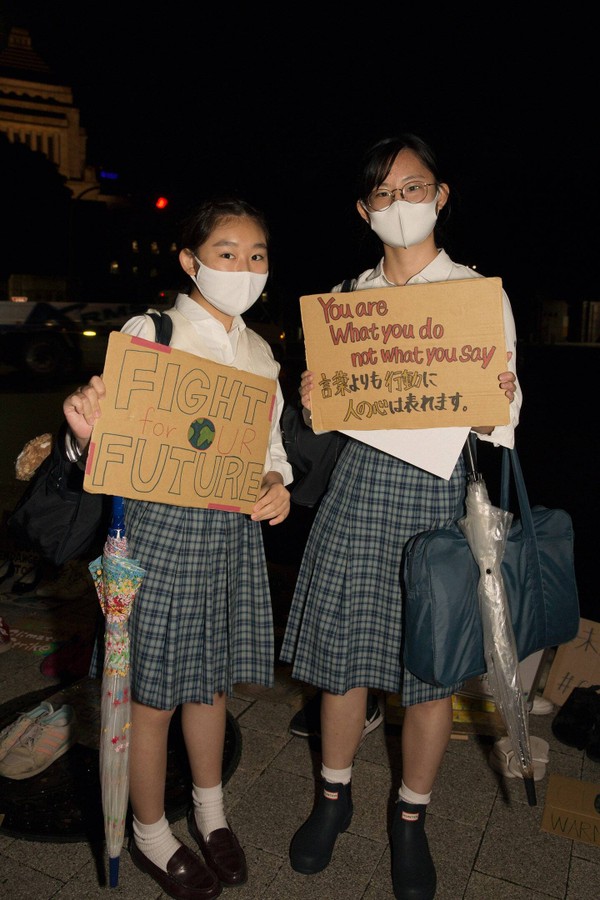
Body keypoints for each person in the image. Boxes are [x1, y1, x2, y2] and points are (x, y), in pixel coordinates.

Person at [279, 134, 521, 900]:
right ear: (364, 210)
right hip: (359, 494)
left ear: (441, 195)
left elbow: (503, 422)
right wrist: (315, 402)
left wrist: (501, 395)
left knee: (429, 674)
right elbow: (326, 420)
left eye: (413, 189)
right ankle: (333, 797)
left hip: (438, 497)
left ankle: (410, 818)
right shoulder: (348, 302)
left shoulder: (478, 295)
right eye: (382, 195)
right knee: (344, 660)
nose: (399, 206)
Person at [63, 197, 292, 900]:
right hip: (159, 535)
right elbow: (102, 447)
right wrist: (81, 431)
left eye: (256, 255)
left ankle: (211, 811)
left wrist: (276, 483)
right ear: (190, 261)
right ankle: (151, 830)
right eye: (227, 252)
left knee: (211, 681)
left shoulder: (261, 353)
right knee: (151, 696)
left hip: (229, 534)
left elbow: (270, 448)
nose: (244, 268)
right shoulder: (152, 330)